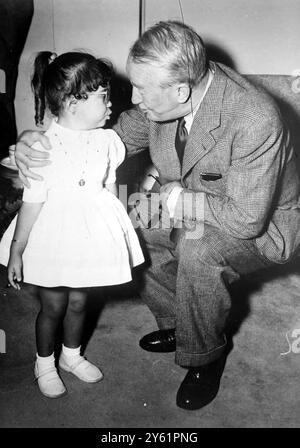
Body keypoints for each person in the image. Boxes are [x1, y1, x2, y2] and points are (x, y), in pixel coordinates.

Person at [14, 21, 300, 410]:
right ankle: (181, 326)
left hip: (261, 223)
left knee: (200, 253)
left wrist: (175, 200)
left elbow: (247, 219)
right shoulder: (164, 98)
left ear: (181, 91)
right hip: (193, 203)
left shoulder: (254, 118)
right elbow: (92, 135)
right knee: (124, 224)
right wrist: (33, 141)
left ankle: (205, 358)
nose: (132, 97)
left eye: (141, 91)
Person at [0, 51, 144, 399]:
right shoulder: (43, 146)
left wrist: (118, 232)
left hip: (91, 236)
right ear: (72, 101)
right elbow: (32, 203)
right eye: (103, 97)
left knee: (80, 301)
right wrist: (17, 250)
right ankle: (44, 363)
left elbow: (110, 188)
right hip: (54, 235)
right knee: (53, 306)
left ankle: (71, 356)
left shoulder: (108, 140)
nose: (111, 105)